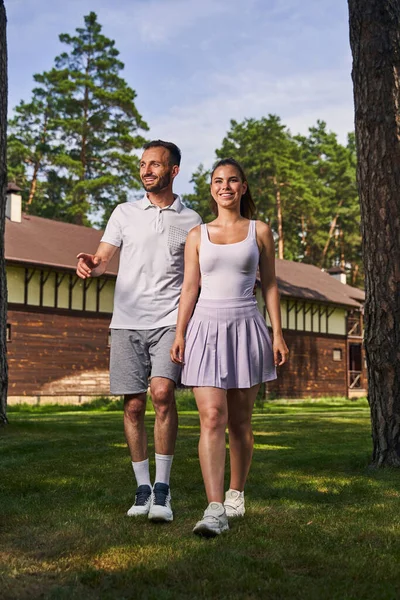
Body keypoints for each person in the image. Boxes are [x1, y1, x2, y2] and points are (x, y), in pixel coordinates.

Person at [76, 140, 202, 522]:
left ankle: (163, 490)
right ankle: (142, 487)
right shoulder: (124, 213)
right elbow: (103, 259)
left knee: (162, 393)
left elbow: (197, 275)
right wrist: (91, 264)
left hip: (168, 320)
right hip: (127, 320)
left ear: (173, 171)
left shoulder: (191, 219)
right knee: (132, 405)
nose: (147, 170)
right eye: (143, 164)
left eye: (155, 165)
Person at [170, 157, 289, 537]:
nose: (226, 186)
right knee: (211, 418)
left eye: (233, 180)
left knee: (239, 423)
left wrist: (277, 333)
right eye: (218, 180)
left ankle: (236, 492)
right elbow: (190, 288)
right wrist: (179, 332)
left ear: (243, 187)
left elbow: (269, 285)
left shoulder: (261, 231)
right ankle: (214, 508)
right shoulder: (196, 235)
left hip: (246, 327)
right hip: (204, 328)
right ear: (211, 189)